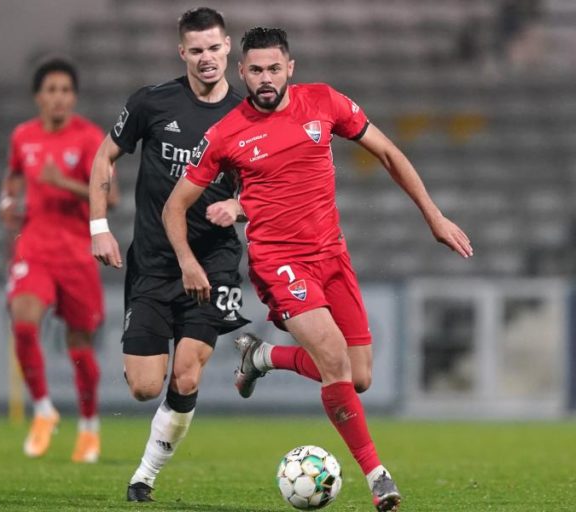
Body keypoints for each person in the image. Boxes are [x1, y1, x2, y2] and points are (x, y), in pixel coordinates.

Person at [164, 27, 474, 512]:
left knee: (359, 376)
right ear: (241, 72)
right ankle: (378, 477)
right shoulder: (226, 133)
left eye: (273, 68)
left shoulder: (325, 103)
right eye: (255, 70)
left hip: (332, 256)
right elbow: (174, 206)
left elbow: (389, 153)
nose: (265, 79)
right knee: (333, 360)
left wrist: (433, 217)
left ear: (290, 68)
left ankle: (262, 358)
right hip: (278, 263)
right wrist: (187, 261)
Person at [89, 7, 249, 502]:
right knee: (143, 386)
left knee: (187, 372)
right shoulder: (151, 103)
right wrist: (98, 227)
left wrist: (238, 206)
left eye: (214, 48)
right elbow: (103, 156)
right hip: (154, 265)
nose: (206, 58)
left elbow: (267, 189)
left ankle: (144, 476)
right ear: (182, 52)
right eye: (196, 50)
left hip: (214, 261)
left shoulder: (247, 118)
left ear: (228, 49)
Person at [0, 58, 117, 462]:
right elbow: (13, 175)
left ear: (74, 96)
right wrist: (7, 201)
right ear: (38, 96)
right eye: (51, 90)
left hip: (76, 253)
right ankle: (44, 409)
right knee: (24, 322)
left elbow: (113, 198)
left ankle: (88, 427)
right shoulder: (23, 136)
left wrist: (62, 182)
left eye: (65, 90)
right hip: (33, 247)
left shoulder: (88, 138)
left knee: (80, 346)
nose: (58, 98)